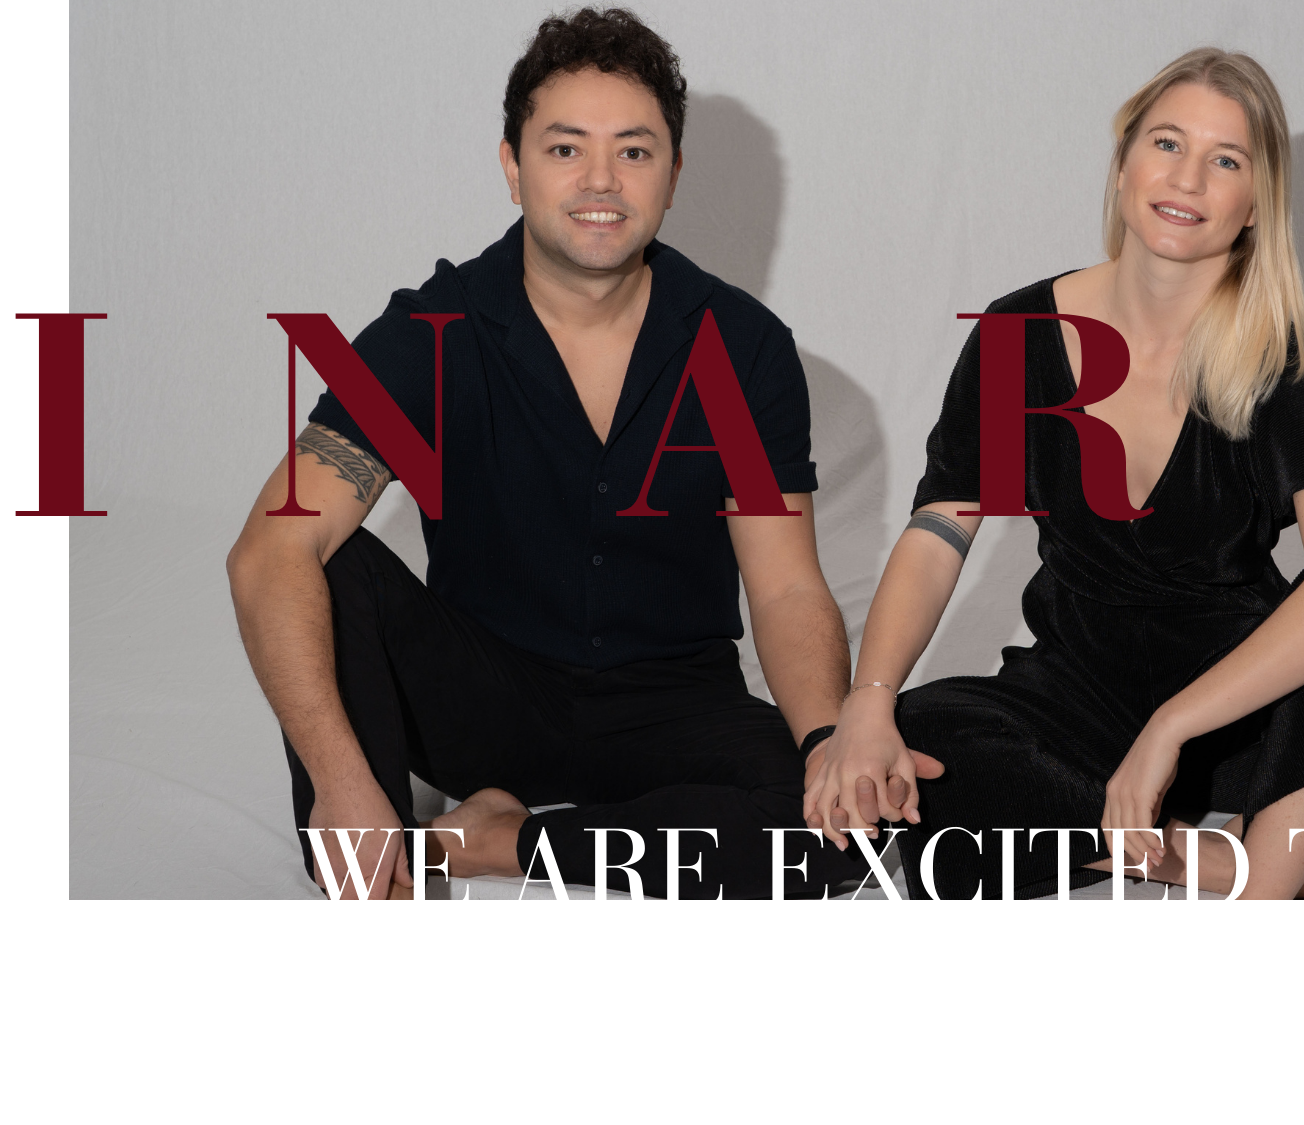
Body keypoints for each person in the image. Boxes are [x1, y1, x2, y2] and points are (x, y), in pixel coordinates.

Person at [226, 7, 862, 900]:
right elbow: (267, 551)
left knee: (827, 848)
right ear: (512, 167)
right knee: (325, 561)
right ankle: (394, 835)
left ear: (673, 176)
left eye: (634, 152)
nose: (600, 180)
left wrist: (827, 747)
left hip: (669, 705)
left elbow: (788, 586)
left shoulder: (742, 344)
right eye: (565, 148)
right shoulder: (429, 333)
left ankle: (500, 843)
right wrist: (343, 782)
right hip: (483, 697)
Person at [806, 47, 1304, 901]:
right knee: (912, 754)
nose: (1189, 178)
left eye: (1227, 160)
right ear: (1124, 158)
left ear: (1257, 203)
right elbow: (940, 526)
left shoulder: (1295, 369)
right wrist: (870, 699)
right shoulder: (1016, 332)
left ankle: (1260, 895)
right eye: (1168, 143)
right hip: (1078, 685)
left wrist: (1172, 728)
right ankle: (1233, 857)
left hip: (1245, 709)